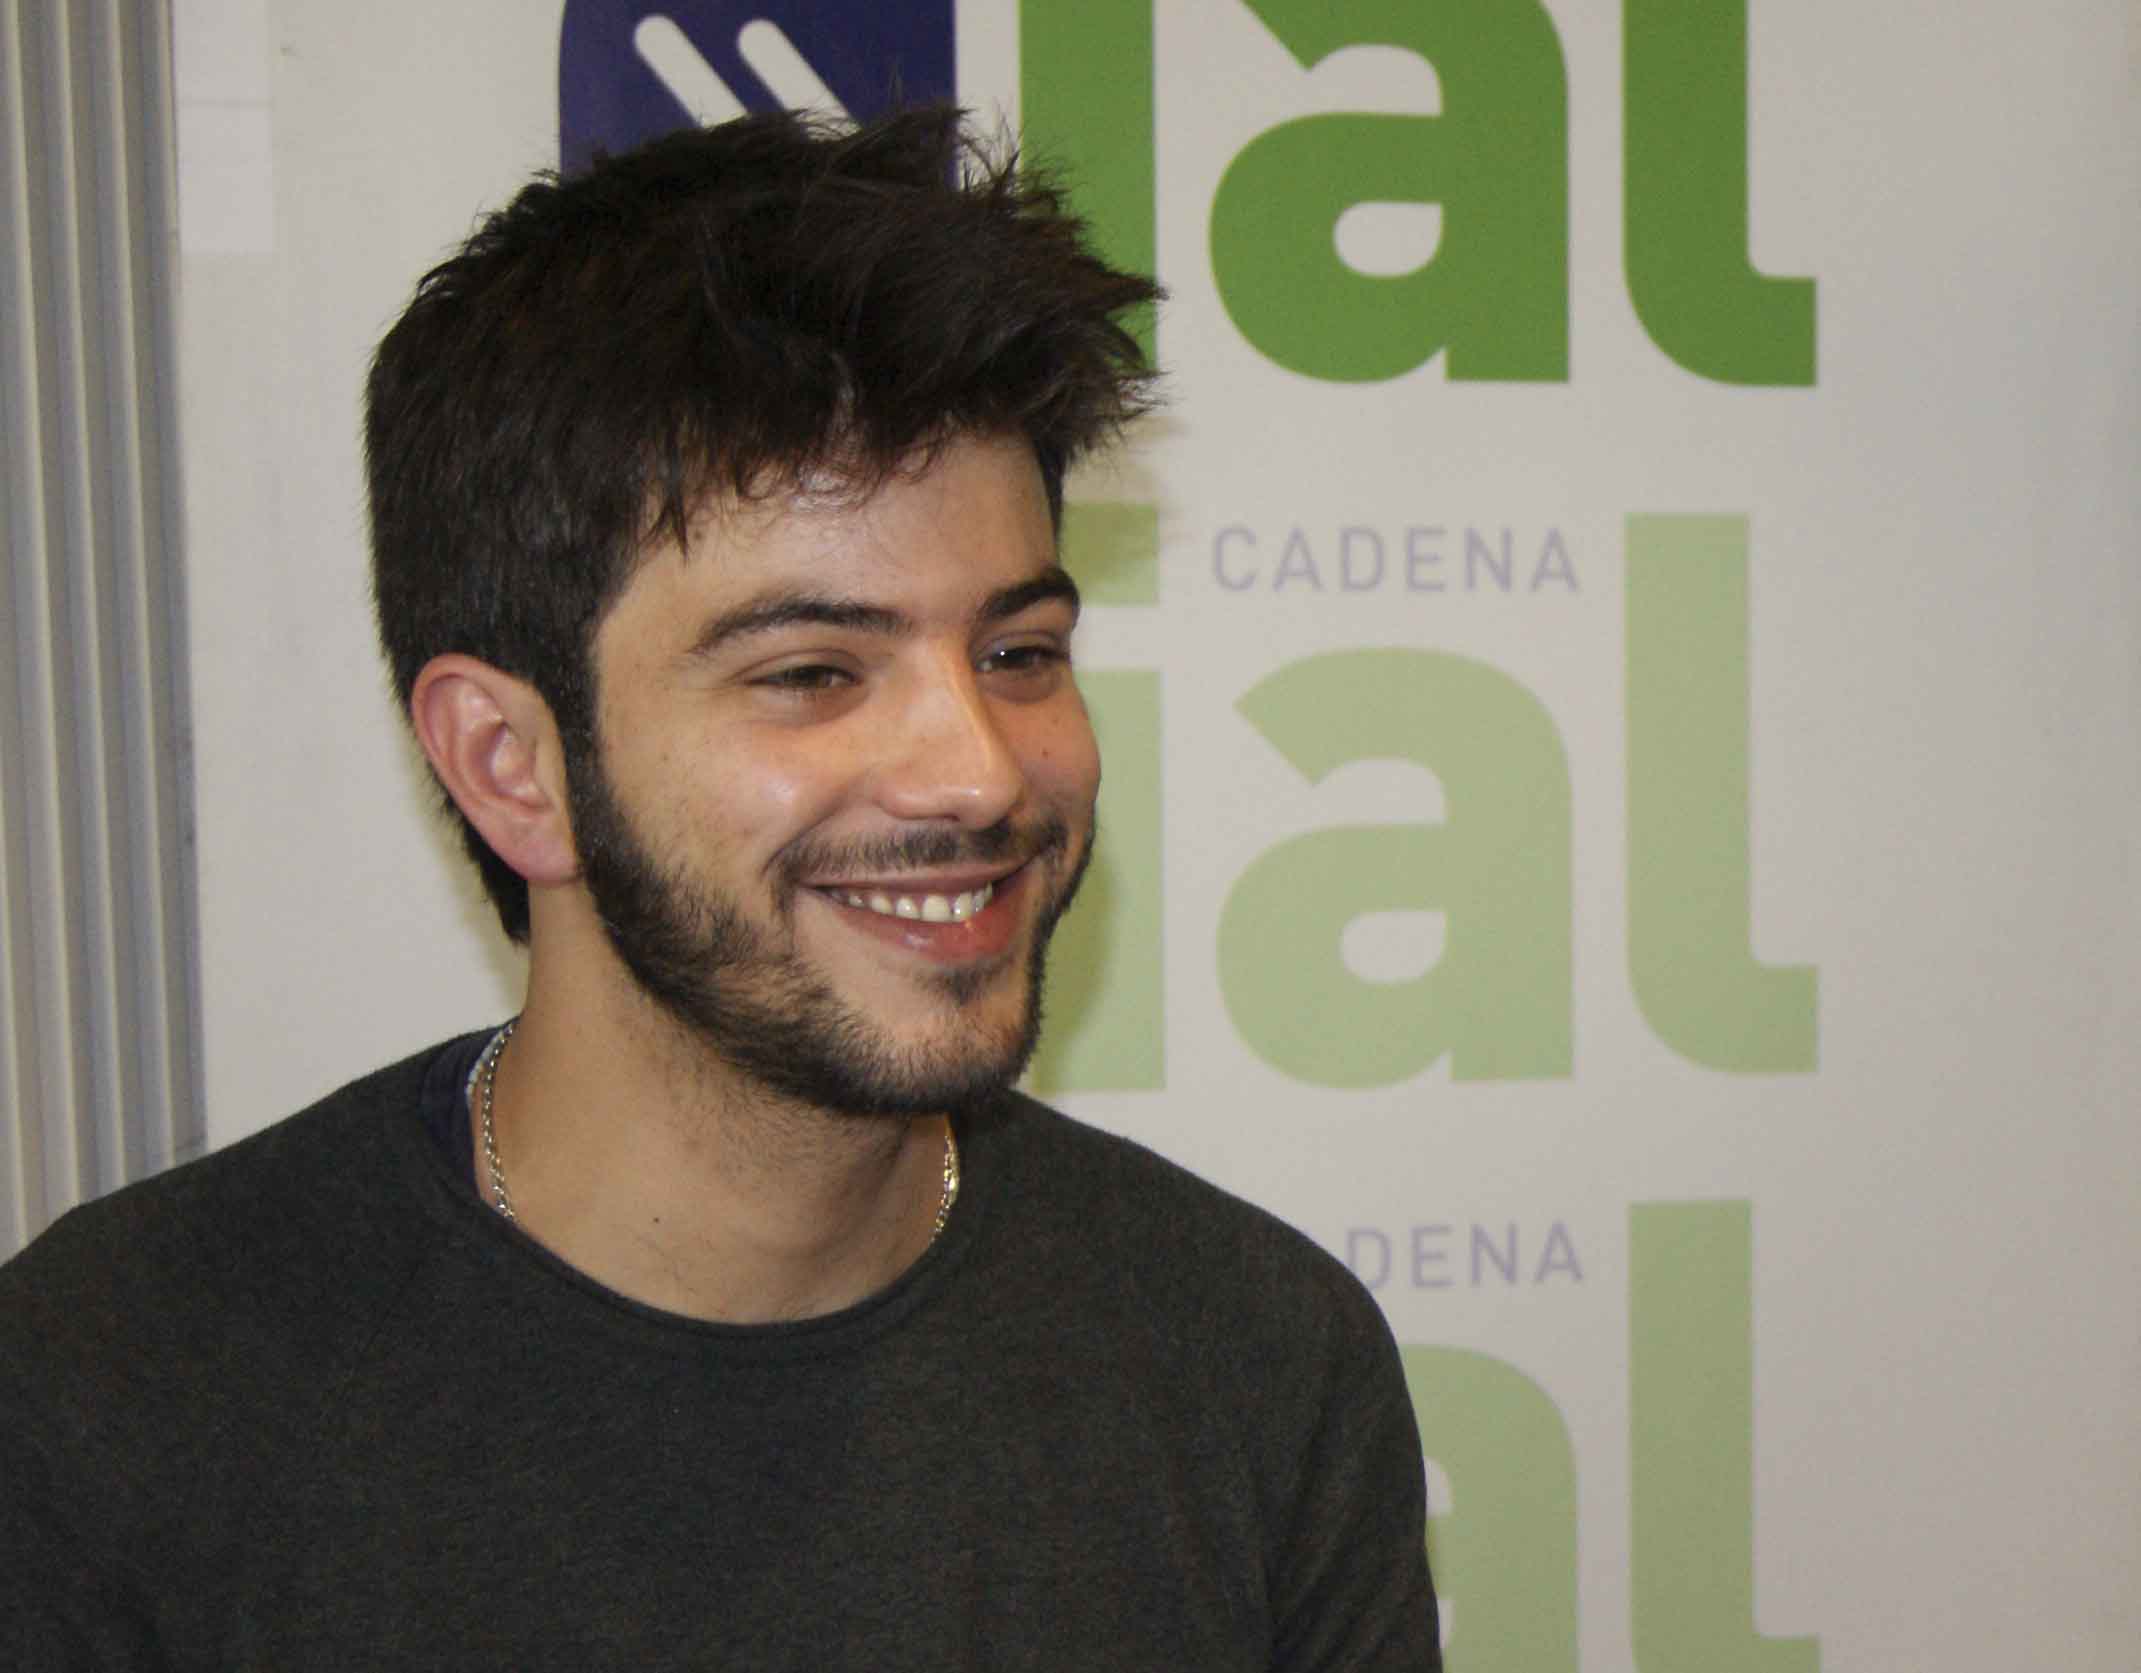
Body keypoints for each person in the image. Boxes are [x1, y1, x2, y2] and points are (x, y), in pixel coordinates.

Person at [0, 107, 1439, 1668]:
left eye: (1018, 651)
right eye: (812, 671)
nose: (977, 773)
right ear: (510, 764)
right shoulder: (110, 1394)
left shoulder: (1254, 1360)